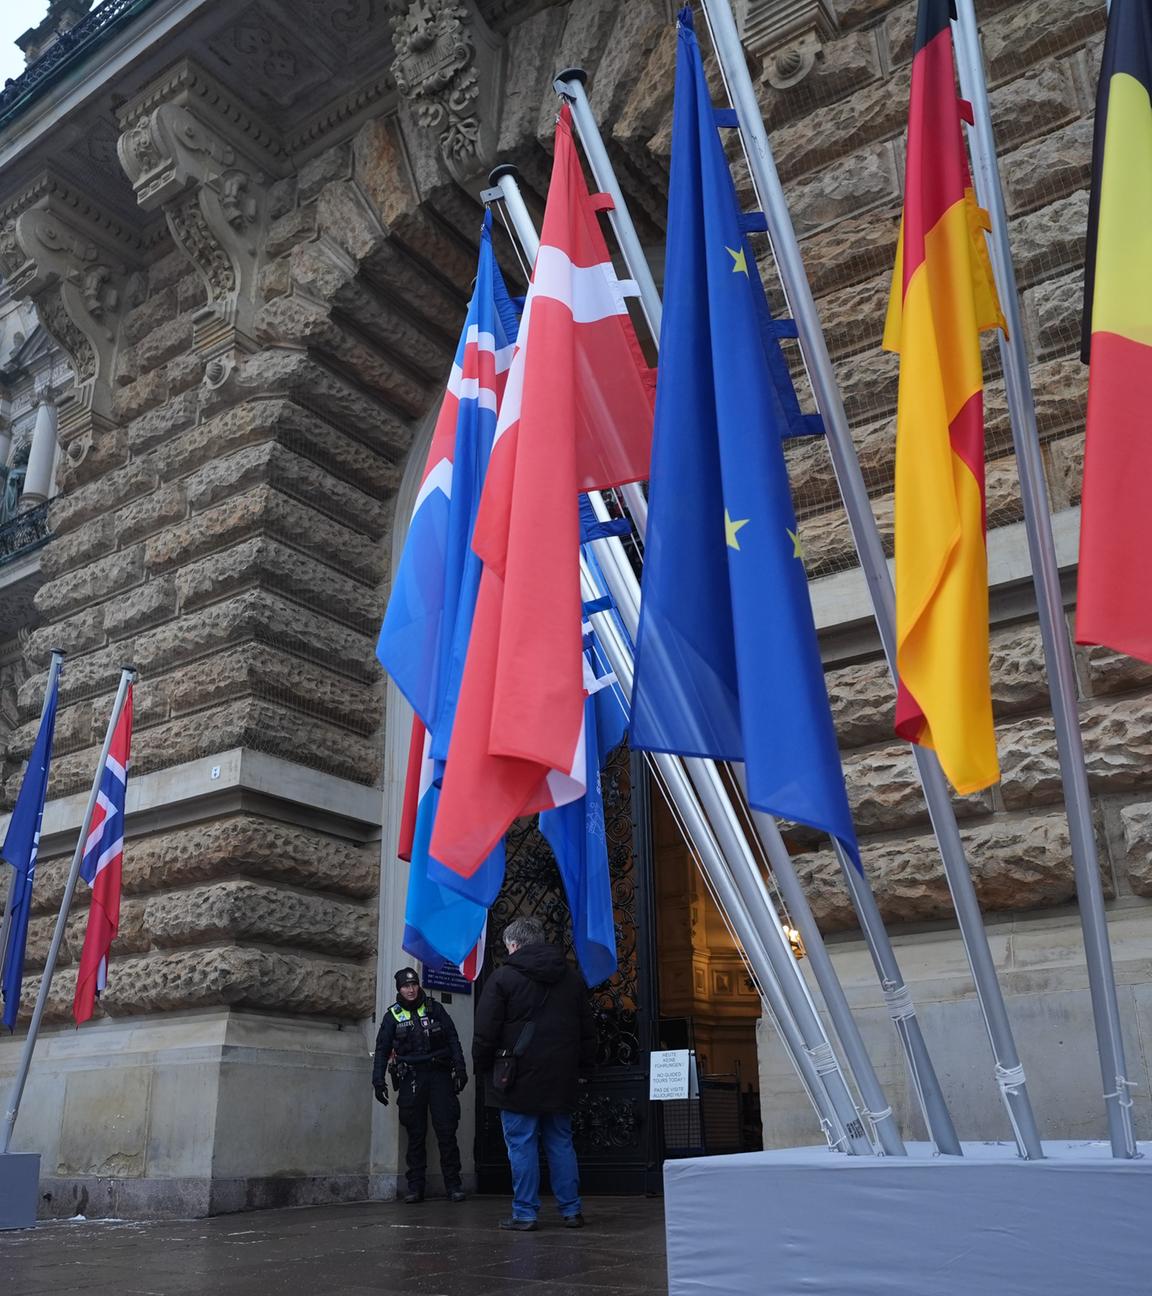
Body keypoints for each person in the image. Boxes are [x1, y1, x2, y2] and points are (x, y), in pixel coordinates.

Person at [472, 916, 597, 1232]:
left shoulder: (502, 979)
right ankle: (571, 1210)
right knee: (560, 1143)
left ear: (513, 945)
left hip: (516, 1078)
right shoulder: (571, 979)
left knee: (522, 1144)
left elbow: (485, 1031)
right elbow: (587, 1032)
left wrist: (481, 1066)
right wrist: (584, 1069)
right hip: (561, 1077)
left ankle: (525, 1213)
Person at [373, 967, 468, 1204]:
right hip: (411, 1077)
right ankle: (415, 1187)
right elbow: (382, 1050)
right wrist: (378, 1080)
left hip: (439, 1074)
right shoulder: (392, 1016)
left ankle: (453, 1185)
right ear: (399, 989)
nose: (411, 989)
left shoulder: (435, 1008)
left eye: (414, 984)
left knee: (446, 1131)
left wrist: (460, 1068)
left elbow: (453, 1039)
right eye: (406, 986)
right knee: (415, 1134)